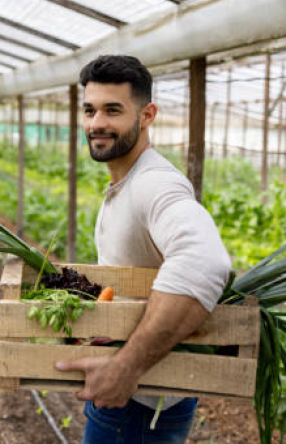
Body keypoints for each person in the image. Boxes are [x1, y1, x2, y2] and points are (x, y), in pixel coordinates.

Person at [55, 55, 232, 443]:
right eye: (90, 110)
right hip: (134, 398)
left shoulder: (155, 184)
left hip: (139, 405)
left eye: (113, 110)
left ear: (147, 115)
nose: (96, 123)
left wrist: (127, 367)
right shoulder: (129, 180)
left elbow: (205, 260)